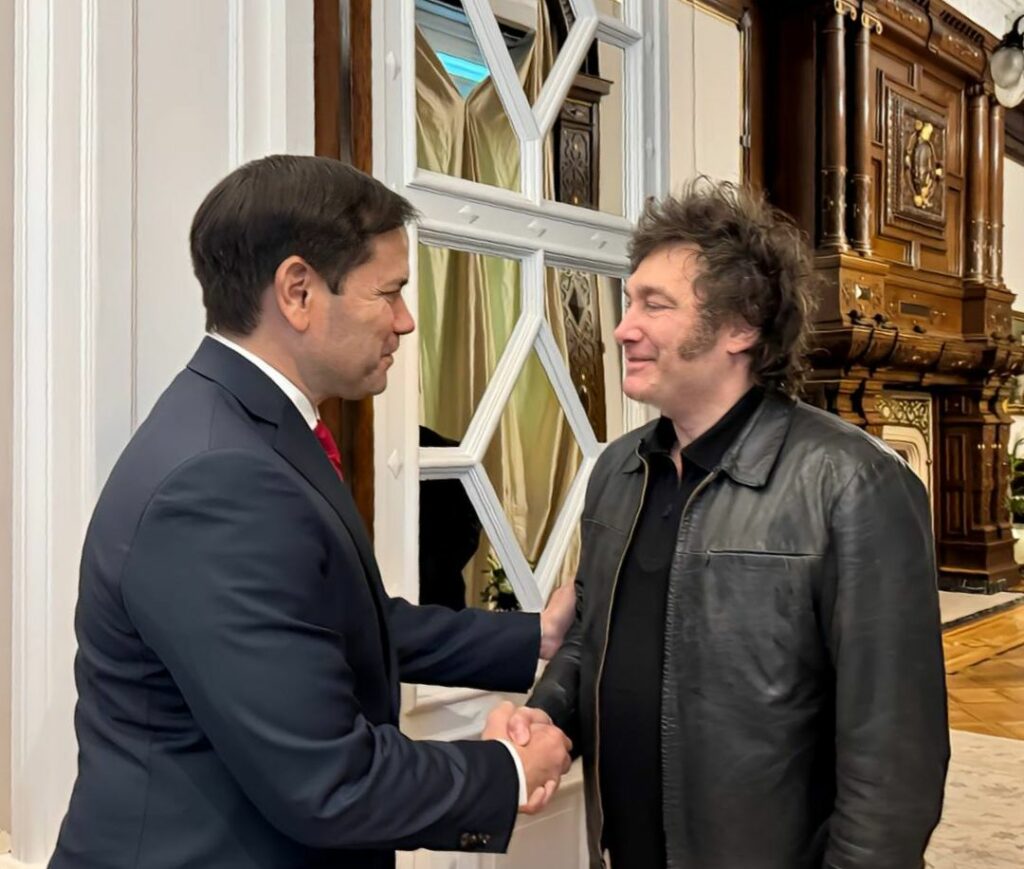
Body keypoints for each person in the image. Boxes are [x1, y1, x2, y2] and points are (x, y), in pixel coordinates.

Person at [49, 155, 575, 869]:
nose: (406, 321)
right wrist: (506, 770)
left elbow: (335, 619)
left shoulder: (241, 425)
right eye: (389, 292)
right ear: (298, 291)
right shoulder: (220, 478)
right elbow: (329, 780)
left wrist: (534, 636)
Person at [507, 179, 950, 869]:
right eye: (629, 300)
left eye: (655, 304)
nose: (624, 327)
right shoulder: (619, 469)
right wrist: (547, 712)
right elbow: (593, 635)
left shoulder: (853, 483)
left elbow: (894, 759)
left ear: (741, 327)